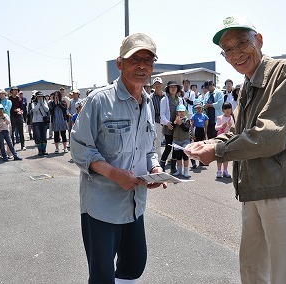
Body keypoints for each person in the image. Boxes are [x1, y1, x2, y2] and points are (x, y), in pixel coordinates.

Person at [186, 16, 286, 284]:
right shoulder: (246, 86)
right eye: (227, 49)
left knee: (284, 274)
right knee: (252, 269)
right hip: (253, 187)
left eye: (242, 43)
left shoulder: (285, 72)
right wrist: (210, 143)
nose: (236, 53)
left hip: (281, 188)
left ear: (259, 40)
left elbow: (270, 135)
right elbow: (240, 131)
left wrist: (219, 152)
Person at [70, 32, 166, 284]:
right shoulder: (99, 100)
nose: (143, 65)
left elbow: (149, 148)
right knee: (102, 275)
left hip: (134, 204)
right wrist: (114, 173)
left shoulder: (147, 102)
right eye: (136, 59)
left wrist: (154, 167)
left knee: (133, 266)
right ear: (120, 63)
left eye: (148, 60)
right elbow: (80, 148)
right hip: (102, 206)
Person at [160, 81, 184, 173]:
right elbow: (162, 114)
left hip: (178, 127)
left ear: (177, 89)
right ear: (168, 89)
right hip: (169, 126)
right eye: (171, 87)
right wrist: (167, 122)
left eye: (175, 87)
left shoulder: (180, 100)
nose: (173, 88)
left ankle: (173, 167)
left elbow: (183, 113)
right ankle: (162, 164)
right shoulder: (164, 99)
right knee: (168, 147)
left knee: (176, 147)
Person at [214, 102, 234, 178]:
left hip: (228, 138)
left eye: (229, 108)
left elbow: (233, 127)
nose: (228, 110)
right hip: (220, 138)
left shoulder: (231, 118)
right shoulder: (220, 118)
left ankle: (225, 171)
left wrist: (230, 127)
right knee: (219, 154)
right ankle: (219, 171)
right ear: (222, 110)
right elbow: (216, 128)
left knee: (226, 155)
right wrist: (222, 126)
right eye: (226, 108)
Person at [172, 104, 191, 177]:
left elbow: (186, 129)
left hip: (185, 140)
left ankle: (186, 171)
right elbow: (171, 128)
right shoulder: (175, 120)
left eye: (182, 111)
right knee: (178, 156)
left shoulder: (187, 120)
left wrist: (181, 123)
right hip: (176, 140)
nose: (181, 113)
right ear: (177, 112)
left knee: (185, 156)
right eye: (179, 111)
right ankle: (179, 170)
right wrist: (175, 123)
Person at [190, 100, 209, 168]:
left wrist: (205, 134)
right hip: (196, 130)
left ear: (202, 108)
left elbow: (206, 126)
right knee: (195, 147)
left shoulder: (205, 116)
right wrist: (193, 134)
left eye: (199, 108)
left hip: (202, 131)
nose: (198, 109)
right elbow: (191, 126)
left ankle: (201, 162)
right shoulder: (193, 116)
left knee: (201, 147)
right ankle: (193, 162)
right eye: (197, 108)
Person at [31, 91, 50, 156]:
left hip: (43, 122)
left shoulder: (44, 102)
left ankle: (44, 150)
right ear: (36, 97)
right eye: (39, 96)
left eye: (41, 96)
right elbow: (34, 110)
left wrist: (42, 103)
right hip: (36, 122)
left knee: (44, 137)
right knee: (38, 137)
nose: (40, 98)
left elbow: (47, 110)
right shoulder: (33, 103)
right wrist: (39, 103)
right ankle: (40, 151)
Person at [151, 77, 165, 158]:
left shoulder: (166, 95)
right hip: (157, 121)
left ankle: (170, 158)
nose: (157, 85)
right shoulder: (151, 97)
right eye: (156, 84)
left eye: (159, 84)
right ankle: (159, 159)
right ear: (153, 86)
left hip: (166, 121)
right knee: (157, 142)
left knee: (169, 141)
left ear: (161, 84)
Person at [8, 86, 26, 151]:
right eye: (14, 90)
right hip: (12, 116)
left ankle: (23, 145)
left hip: (19, 116)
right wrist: (14, 110)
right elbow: (8, 108)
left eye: (16, 90)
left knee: (21, 131)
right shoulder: (9, 99)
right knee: (11, 132)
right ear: (11, 91)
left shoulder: (19, 99)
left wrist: (20, 111)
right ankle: (12, 145)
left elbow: (22, 108)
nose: (16, 91)